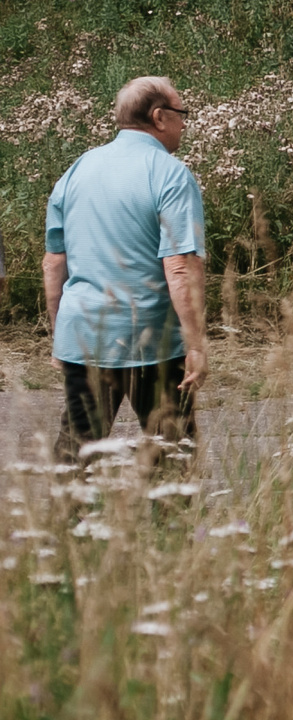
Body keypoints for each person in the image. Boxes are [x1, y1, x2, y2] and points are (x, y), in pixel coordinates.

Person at [42, 76, 209, 460]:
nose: (185, 123)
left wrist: (60, 334)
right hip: (151, 340)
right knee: (172, 454)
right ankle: (166, 522)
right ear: (159, 117)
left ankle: (65, 520)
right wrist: (196, 344)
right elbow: (180, 268)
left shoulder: (77, 170)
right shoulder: (170, 174)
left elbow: (54, 263)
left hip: (83, 334)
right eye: (182, 114)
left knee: (76, 452)